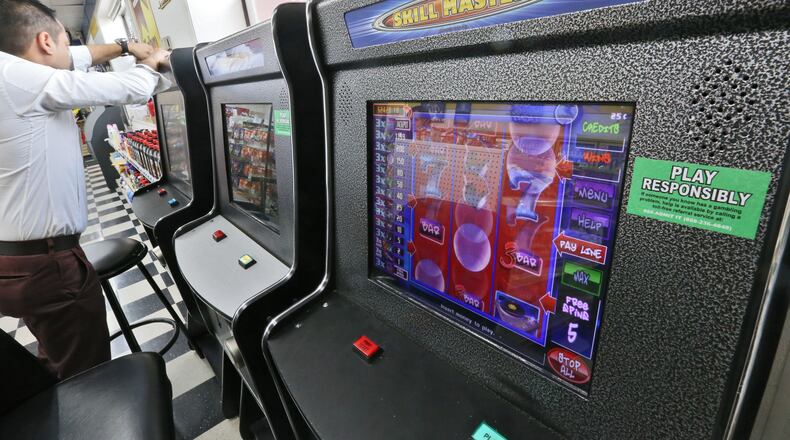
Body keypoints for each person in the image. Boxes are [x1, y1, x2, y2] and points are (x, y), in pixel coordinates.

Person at [0, 0, 171, 379]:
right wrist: (155, 60)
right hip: (46, 263)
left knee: (59, 352)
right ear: (45, 41)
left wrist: (126, 47)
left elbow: (76, 56)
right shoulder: (18, 78)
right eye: (63, 40)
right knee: (87, 375)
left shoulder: (11, 73)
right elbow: (129, 87)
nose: (70, 50)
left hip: (17, 260)